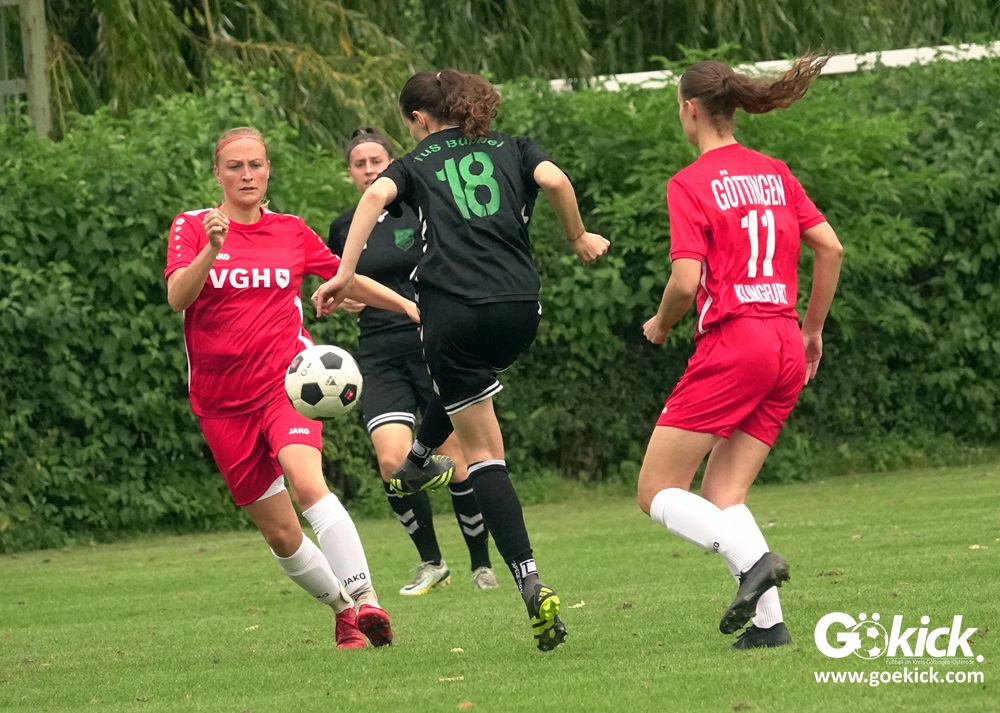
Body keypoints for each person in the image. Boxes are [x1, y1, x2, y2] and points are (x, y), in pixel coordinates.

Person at [312, 69, 610, 651]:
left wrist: (345, 274)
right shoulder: (513, 146)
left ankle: (527, 578)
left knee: (484, 453)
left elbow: (373, 197)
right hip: (519, 309)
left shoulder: (416, 162)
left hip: (450, 312)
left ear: (418, 118)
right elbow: (555, 179)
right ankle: (419, 459)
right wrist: (577, 237)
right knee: (467, 387)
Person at [165, 126, 419, 649]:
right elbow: (177, 297)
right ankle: (343, 610)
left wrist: (407, 306)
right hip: (220, 403)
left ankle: (367, 598)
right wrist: (212, 250)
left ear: (267, 170)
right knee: (281, 533)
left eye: (255, 165)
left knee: (307, 483)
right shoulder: (192, 226)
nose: (246, 175)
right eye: (235, 166)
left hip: (287, 386)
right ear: (218, 173)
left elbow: (345, 277)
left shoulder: (290, 230)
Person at [636, 56, 844, 649]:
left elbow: (684, 282)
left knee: (655, 490)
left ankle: (755, 564)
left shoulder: (690, 183)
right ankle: (771, 626)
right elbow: (830, 249)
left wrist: (660, 324)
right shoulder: (774, 172)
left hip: (736, 342)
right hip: (784, 342)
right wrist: (811, 330)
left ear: (690, 109)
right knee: (724, 494)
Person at [328, 126, 498, 596]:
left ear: (392, 163)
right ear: (350, 173)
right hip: (379, 354)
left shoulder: (422, 208)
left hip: (432, 345)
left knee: (460, 458)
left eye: (377, 161)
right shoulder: (345, 227)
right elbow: (338, 281)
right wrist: (344, 298)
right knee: (391, 461)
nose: (369, 170)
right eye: (360, 164)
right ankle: (431, 563)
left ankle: (482, 565)